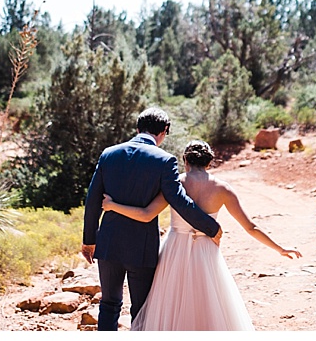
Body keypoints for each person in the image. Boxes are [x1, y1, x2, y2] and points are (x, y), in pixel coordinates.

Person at [102, 139, 302, 331]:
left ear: (185, 161)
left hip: (174, 250)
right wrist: (280, 249)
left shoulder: (175, 183)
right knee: (207, 305)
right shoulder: (223, 189)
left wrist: (112, 205)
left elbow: (146, 215)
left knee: (170, 305)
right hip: (206, 252)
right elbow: (250, 227)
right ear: (209, 162)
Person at [82, 108, 222, 331]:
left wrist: (89, 240)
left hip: (109, 243)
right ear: (164, 131)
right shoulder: (164, 160)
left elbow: (92, 200)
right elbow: (179, 200)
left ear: (138, 128)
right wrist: (210, 227)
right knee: (141, 307)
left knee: (109, 303)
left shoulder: (109, 154)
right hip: (142, 246)